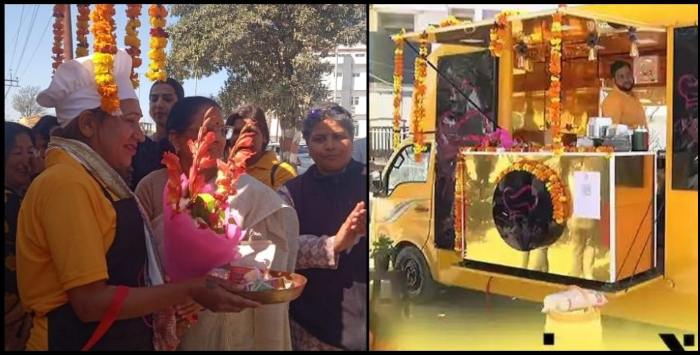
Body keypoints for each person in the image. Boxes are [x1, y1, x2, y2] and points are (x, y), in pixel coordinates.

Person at [16, 49, 259, 351]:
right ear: (89, 124)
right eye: (130, 121)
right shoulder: (66, 183)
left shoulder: (92, 178)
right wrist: (191, 289)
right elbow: (90, 303)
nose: (140, 136)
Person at [135, 97, 298, 350]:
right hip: (169, 317)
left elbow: (267, 268)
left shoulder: (252, 195)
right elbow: (141, 260)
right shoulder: (152, 187)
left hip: (229, 326)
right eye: (207, 130)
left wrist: (211, 286)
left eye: (222, 130)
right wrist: (175, 293)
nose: (219, 139)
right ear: (175, 138)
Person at [278, 102, 368, 350]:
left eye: (339, 136)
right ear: (307, 140)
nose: (330, 145)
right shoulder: (291, 193)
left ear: (352, 138)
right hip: (311, 327)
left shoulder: (373, 184)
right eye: (320, 138)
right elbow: (280, 250)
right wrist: (333, 245)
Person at [5, 122, 36, 351]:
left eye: (31, 151)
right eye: (17, 152)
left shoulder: (22, 197)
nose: (27, 160)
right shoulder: (13, 203)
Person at [130, 78, 185, 190]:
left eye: (167, 99)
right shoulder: (137, 145)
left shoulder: (188, 147)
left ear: (180, 104)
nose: (159, 104)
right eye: (154, 99)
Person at [225, 105, 296, 190]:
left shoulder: (282, 172)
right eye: (237, 132)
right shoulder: (222, 170)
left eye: (249, 131)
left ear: (264, 136)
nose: (242, 138)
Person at [601, 60, 648, 129]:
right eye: (621, 76)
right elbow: (613, 132)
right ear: (614, 80)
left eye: (628, 75)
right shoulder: (612, 100)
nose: (626, 79)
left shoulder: (633, 96)